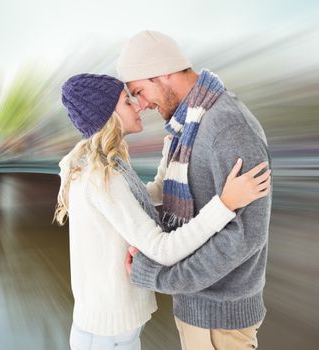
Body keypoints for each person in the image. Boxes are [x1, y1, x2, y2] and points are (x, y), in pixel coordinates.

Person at [54, 73, 271, 350]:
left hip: (108, 329)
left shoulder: (98, 166)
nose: (139, 105)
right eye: (127, 101)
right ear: (108, 115)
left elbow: (144, 197)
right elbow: (162, 248)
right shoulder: (104, 179)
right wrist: (225, 204)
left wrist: (173, 152)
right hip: (106, 335)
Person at [117, 31, 273, 350]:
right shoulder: (189, 125)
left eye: (140, 91)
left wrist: (159, 276)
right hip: (204, 313)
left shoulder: (227, 128)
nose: (142, 105)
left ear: (162, 72)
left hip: (220, 322)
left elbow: (245, 235)